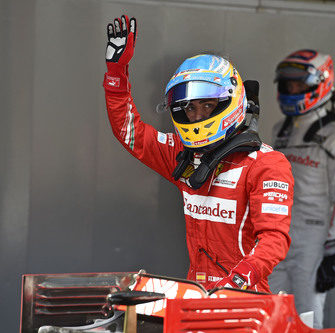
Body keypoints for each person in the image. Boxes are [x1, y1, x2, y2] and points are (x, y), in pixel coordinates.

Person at [103, 15, 294, 293]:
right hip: (197, 295)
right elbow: (128, 131)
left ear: (231, 100)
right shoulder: (183, 157)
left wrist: (237, 281)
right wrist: (116, 74)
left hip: (244, 298)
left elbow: (274, 239)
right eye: (190, 108)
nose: (197, 115)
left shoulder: (266, 164)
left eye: (207, 105)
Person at [267, 49, 335, 328]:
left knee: (307, 317)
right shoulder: (279, 130)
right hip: (276, 235)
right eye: (288, 83)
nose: (292, 89)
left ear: (321, 83)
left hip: (313, 239)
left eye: (299, 84)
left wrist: (334, 250)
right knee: (269, 313)